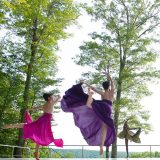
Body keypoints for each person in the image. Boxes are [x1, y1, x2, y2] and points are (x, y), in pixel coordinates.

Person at [61, 72, 116, 155]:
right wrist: (109, 76)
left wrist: (86, 83)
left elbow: (93, 88)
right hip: (108, 107)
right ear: (108, 86)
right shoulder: (111, 92)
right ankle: (101, 144)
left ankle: (90, 97)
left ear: (103, 87)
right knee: (104, 126)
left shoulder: (102, 93)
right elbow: (112, 84)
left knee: (89, 105)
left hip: (101, 106)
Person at [3, 93, 63, 160]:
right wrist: (58, 96)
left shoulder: (45, 104)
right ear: (49, 98)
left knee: (35, 131)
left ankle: (36, 153)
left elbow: (36, 108)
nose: (53, 96)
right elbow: (59, 97)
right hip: (44, 122)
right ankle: (36, 153)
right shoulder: (51, 103)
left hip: (42, 120)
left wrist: (29, 109)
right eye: (52, 96)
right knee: (37, 132)